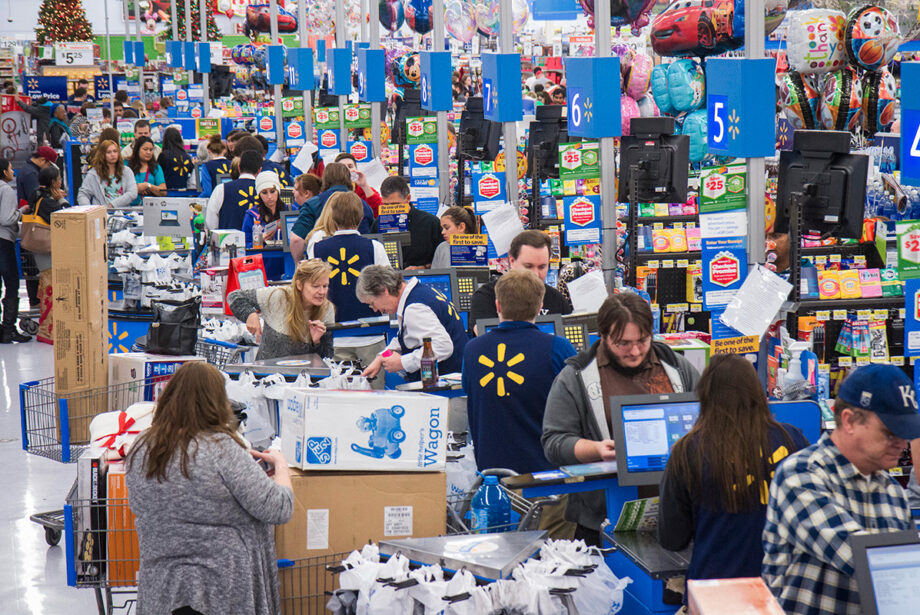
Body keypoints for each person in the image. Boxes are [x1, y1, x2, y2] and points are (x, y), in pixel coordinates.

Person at [126, 361, 294, 615]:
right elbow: (279, 507)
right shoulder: (221, 448)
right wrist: (281, 465)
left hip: (161, 588)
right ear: (216, 401)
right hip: (222, 589)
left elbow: (140, 503)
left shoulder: (141, 448)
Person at [542, 292, 699, 545]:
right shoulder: (576, 377)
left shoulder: (677, 369)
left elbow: (707, 422)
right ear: (603, 336)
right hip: (603, 518)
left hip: (674, 513)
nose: (635, 350)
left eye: (643, 340)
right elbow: (554, 442)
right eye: (623, 343)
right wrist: (596, 449)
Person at [762, 363, 920, 614]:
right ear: (849, 421)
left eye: (907, 433)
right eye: (890, 432)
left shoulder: (892, 492)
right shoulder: (800, 475)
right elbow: (857, 554)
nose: (902, 444)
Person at [658, 354, 808, 583]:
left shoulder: (688, 451)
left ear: (706, 397)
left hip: (714, 592)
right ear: (758, 394)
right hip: (783, 588)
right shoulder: (792, 439)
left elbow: (672, 539)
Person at [463, 270, 577, 539]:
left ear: (498, 305)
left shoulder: (473, 350)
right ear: (540, 306)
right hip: (547, 484)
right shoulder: (558, 348)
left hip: (493, 486)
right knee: (553, 566)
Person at [358, 265, 467, 381]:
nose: (375, 309)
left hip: (448, 387)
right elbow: (408, 337)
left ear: (384, 290)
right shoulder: (420, 292)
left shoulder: (414, 308)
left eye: (372, 303)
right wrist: (381, 356)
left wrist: (402, 363)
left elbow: (443, 346)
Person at [227, 259, 335, 360]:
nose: (322, 292)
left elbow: (327, 358)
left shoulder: (327, 309)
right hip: (266, 375)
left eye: (325, 286)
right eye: (315, 286)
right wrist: (250, 314)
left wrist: (316, 342)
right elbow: (234, 296)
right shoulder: (278, 296)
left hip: (303, 377)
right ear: (299, 285)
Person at [470, 230, 572, 335]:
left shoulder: (556, 299)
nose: (536, 274)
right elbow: (484, 338)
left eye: (542, 267)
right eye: (528, 266)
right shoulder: (486, 297)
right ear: (512, 261)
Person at [311, 192, 390, 322]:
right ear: (361, 218)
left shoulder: (316, 248)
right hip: (372, 332)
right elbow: (388, 288)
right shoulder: (375, 247)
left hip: (331, 331)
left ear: (333, 218)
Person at [289, 163, 375, 261]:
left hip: (324, 267)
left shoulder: (313, 204)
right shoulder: (363, 205)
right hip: (362, 264)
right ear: (349, 180)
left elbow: (296, 239)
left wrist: (298, 264)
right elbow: (371, 235)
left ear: (325, 180)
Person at [374, 175, 442, 269]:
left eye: (395, 205)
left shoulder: (430, 223)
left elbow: (441, 260)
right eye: (386, 205)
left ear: (408, 198)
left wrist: (423, 268)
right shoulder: (377, 224)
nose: (391, 209)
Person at [0, 158, 29, 343]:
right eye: (11, 169)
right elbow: (6, 218)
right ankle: (8, 329)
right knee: (11, 283)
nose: (13, 172)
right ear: (4, 171)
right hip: (3, 240)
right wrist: (21, 211)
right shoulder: (6, 190)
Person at [206, 150, 262, 231]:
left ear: (239, 167)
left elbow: (211, 222)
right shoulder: (265, 192)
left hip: (227, 241)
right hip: (256, 241)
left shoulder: (221, 189)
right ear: (260, 170)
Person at [77, 139, 138, 208]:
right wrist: (88, 209)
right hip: (100, 213)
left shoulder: (127, 171)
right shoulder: (93, 174)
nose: (113, 154)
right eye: (108, 152)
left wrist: (113, 204)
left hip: (123, 213)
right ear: (102, 155)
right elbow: (83, 194)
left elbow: (132, 193)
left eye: (115, 151)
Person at [242, 171, 292, 249]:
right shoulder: (251, 215)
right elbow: (244, 246)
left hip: (287, 259)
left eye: (272, 191)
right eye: (264, 193)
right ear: (259, 194)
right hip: (262, 259)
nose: (269, 196)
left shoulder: (290, 211)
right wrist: (260, 240)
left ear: (278, 191)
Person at [334, 152, 382, 216]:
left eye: (350, 166)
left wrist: (364, 186)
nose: (347, 170)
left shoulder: (363, 190)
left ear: (356, 169)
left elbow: (379, 211)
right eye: (342, 167)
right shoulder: (332, 191)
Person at [128, 136, 167, 205]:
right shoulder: (127, 165)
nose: (148, 152)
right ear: (137, 150)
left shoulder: (156, 167)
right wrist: (136, 189)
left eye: (151, 150)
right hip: (127, 208)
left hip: (150, 209)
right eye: (145, 149)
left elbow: (163, 191)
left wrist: (148, 186)